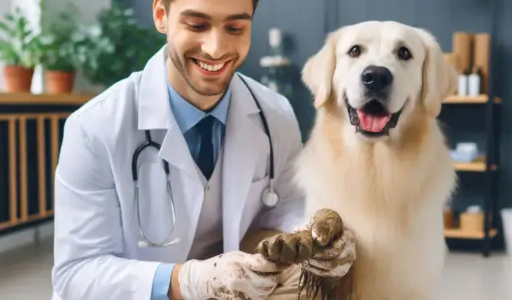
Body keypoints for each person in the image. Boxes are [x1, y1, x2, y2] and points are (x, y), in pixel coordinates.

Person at [50, 0, 355, 299]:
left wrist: (316, 237)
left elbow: (284, 208)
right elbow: (76, 274)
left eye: (235, 27)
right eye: (197, 25)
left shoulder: (275, 115)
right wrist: (187, 281)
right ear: (161, 16)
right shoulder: (95, 127)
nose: (215, 48)